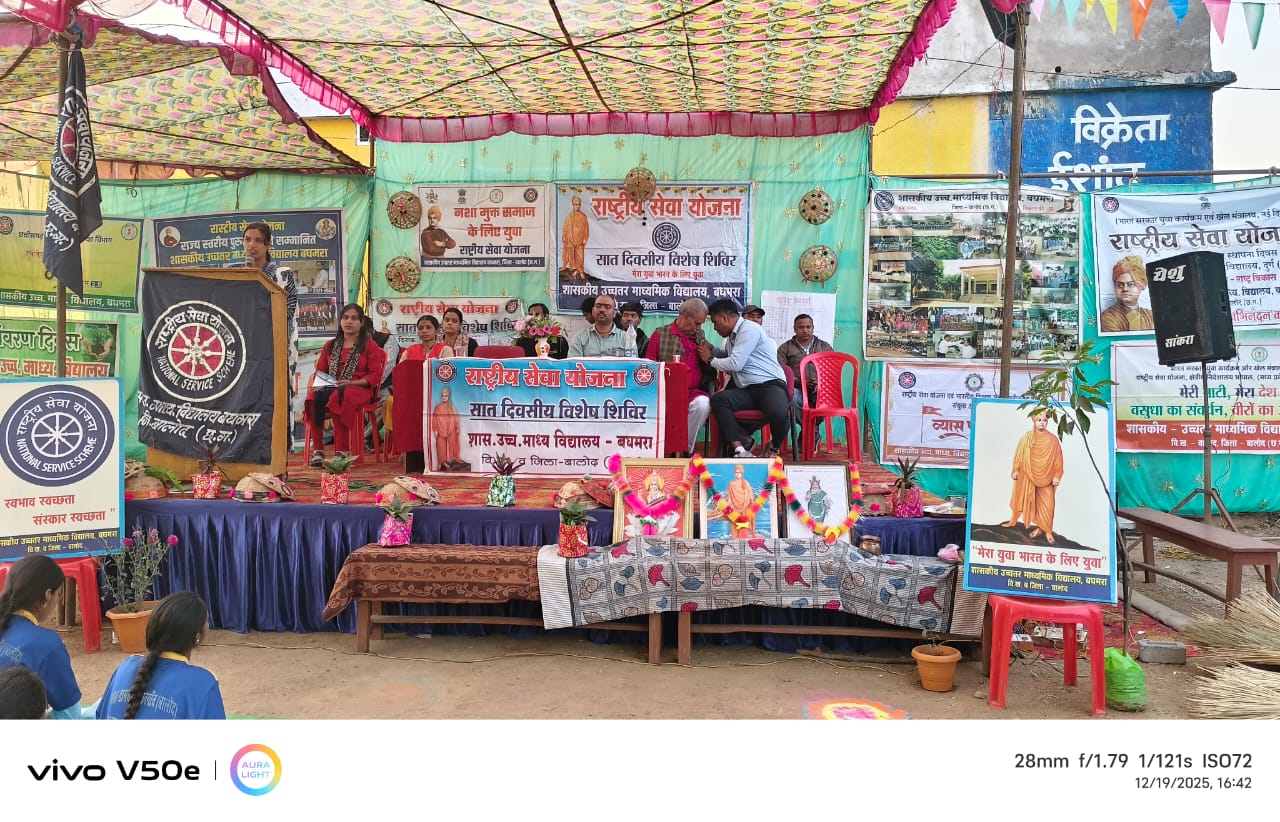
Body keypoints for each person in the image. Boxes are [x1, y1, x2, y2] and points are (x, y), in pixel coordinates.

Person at [96, 591, 225, 720]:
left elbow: (100, 715)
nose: (208, 625)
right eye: (207, 621)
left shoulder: (125, 666)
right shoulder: (203, 683)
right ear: (197, 637)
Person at [701, 299, 791, 460]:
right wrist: (712, 349)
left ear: (724, 318)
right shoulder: (732, 336)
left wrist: (709, 360)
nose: (714, 328)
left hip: (769, 385)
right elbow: (729, 356)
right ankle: (741, 449)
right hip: (748, 390)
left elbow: (735, 364)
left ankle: (774, 446)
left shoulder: (750, 329)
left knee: (778, 413)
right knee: (719, 400)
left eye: (714, 322)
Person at [0, 556, 84, 719]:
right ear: (47, 596)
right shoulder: (46, 645)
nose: (58, 599)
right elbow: (70, 717)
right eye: (58, 593)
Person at [307, 303, 387, 467]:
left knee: (340, 396)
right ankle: (318, 451)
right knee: (313, 398)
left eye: (354, 318)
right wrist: (321, 384)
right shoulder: (330, 345)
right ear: (340, 321)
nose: (349, 321)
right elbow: (320, 372)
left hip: (359, 388)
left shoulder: (369, 345)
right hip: (334, 387)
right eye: (345, 318)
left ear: (361, 323)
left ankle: (341, 452)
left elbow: (374, 375)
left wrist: (350, 382)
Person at [244, 222, 298, 449]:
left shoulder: (281, 274)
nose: (252, 245)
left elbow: (289, 310)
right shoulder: (236, 272)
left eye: (258, 240)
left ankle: (276, 449)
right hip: (244, 347)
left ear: (268, 245)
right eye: (247, 240)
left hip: (273, 348)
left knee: (273, 399)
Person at [646, 297, 716, 453]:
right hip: (666, 394)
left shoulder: (700, 337)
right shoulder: (660, 334)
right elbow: (649, 368)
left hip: (692, 393)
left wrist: (708, 357)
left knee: (704, 404)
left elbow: (710, 361)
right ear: (685, 316)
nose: (699, 328)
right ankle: (667, 449)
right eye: (697, 323)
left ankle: (685, 449)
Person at [1002, 411, 1065, 544]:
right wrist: (1015, 469)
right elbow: (1019, 455)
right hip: (1028, 475)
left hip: (1047, 477)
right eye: (1039, 420)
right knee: (1032, 503)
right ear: (1034, 421)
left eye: (1044, 420)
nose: (1042, 423)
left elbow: (1058, 459)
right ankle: (1039, 528)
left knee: (1048, 505)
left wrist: (1056, 475)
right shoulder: (1027, 438)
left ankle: (1048, 531)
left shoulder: (1053, 440)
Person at [775, 313, 833, 409]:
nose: (805, 330)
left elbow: (832, 370)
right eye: (801, 327)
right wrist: (798, 382)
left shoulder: (824, 347)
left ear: (813, 328)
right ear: (794, 329)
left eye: (808, 327)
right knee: (792, 397)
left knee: (826, 397)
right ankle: (802, 419)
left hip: (819, 389)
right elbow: (780, 371)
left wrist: (821, 381)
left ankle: (817, 418)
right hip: (797, 389)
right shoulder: (785, 348)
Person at [363, 316, 400, 450]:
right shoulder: (351, 342)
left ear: (370, 330)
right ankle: (373, 437)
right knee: (347, 398)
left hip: (385, 383)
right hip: (363, 385)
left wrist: (372, 383)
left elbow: (388, 366)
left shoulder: (387, 339)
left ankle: (364, 436)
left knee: (385, 402)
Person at [1100, 256, 1154, 332]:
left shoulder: (1151, 315)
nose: (1125, 289)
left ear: (1141, 286)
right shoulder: (1108, 318)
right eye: (1120, 285)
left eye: (1131, 284)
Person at [431, 387, 462, 471]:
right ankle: (440, 463)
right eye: (442, 396)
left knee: (448, 447)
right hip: (440, 430)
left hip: (450, 430)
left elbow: (456, 418)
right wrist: (435, 429)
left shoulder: (451, 407)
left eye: (445, 396)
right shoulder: (437, 407)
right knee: (440, 447)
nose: (444, 397)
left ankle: (446, 461)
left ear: (448, 397)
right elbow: (434, 419)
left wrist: (457, 427)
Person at [724, 464, 759, 538]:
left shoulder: (746, 483)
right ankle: (735, 538)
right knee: (735, 523)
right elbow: (729, 495)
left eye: (739, 472)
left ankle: (744, 538)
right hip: (735, 507)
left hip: (745, 506)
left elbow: (750, 494)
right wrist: (730, 504)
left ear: (742, 474)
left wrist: (751, 501)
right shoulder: (731, 484)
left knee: (744, 523)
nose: (737, 474)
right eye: (736, 472)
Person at [561, 194, 590, 279]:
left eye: (579, 204)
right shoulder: (569, 216)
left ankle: (580, 271)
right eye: (575, 204)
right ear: (573, 205)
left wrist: (585, 238)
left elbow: (586, 229)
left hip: (579, 240)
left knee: (580, 257)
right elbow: (565, 227)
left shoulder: (583, 216)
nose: (577, 206)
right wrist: (564, 236)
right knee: (567, 254)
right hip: (570, 240)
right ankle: (565, 266)